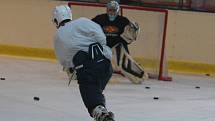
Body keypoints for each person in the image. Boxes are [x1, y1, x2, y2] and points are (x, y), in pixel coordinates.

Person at [52, 5, 115, 121]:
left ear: (56, 20)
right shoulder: (82, 21)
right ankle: (101, 108)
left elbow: (64, 61)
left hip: (88, 70)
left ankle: (101, 114)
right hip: (106, 66)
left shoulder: (58, 36)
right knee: (95, 90)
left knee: (90, 93)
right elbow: (101, 37)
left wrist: (73, 65)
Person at [92, 0, 148, 84]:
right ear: (107, 10)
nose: (112, 12)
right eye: (110, 10)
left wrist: (134, 30)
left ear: (118, 10)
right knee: (91, 57)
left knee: (123, 63)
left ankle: (140, 75)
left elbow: (129, 37)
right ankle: (79, 72)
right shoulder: (99, 19)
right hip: (102, 45)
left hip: (118, 45)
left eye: (114, 10)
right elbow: (89, 27)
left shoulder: (124, 21)